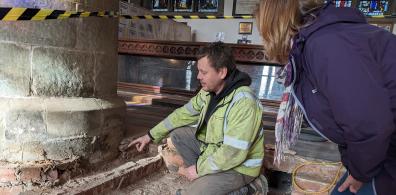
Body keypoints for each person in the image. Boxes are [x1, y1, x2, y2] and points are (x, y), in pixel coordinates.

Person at [255, 0, 396, 195]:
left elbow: (368, 123)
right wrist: (353, 165)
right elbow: (346, 118)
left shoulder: (327, 44)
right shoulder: (320, 40)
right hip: (381, 150)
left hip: (385, 150)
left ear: (273, 26)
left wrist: (360, 172)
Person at [129, 42, 265, 195]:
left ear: (221, 72)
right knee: (178, 135)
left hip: (240, 167)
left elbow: (232, 152)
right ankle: (206, 180)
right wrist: (150, 135)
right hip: (215, 151)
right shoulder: (208, 92)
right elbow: (181, 115)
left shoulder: (244, 102)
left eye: (203, 72)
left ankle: (247, 187)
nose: (198, 76)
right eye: (198, 71)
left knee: (192, 192)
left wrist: (199, 168)